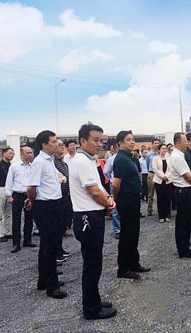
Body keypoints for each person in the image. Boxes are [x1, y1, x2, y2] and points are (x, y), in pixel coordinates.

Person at [68, 123, 117, 320]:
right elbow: (94, 191)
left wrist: (108, 201)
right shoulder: (81, 161)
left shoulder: (88, 160)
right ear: (82, 141)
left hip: (93, 214)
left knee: (94, 261)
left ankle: (94, 300)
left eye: (101, 140)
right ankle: (91, 308)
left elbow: (99, 186)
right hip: (87, 216)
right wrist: (108, 203)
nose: (99, 144)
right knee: (92, 264)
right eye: (95, 140)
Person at [26, 130, 67, 299]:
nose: (57, 143)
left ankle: (43, 280)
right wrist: (33, 201)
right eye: (53, 141)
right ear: (44, 144)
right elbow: (31, 187)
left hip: (54, 204)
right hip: (45, 206)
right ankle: (52, 286)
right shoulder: (39, 162)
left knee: (47, 245)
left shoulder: (50, 161)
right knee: (50, 247)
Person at [112, 130, 151, 280]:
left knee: (134, 233)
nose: (132, 142)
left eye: (133, 139)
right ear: (120, 143)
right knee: (127, 234)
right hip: (126, 200)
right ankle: (123, 268)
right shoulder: (121, 159)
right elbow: (116, 185)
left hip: (134, 199)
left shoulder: (130, 157)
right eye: (128, 139)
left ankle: (134, 263)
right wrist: (115, 201)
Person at [170, 132, 191, 259]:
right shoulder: (177, 157)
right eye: (185, 141)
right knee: (184, 221)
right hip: (183, 191)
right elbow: (187, 176)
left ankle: (185, 246)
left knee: (187, 220)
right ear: (178, 143)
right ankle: (183, 249)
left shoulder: (179, 155)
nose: (187, 143)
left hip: (185, 190)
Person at [5, 146, 36, 253]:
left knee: (29, 219)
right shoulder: (14, 166)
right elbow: (9, 181)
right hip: (17, 195)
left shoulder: (34, 166)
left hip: (29, 195)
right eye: (27, 153)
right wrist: (9, 195)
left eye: (31, 152)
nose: (30, 154)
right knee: (16, 219)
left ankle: (27, 240)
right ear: (22, 154)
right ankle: (16, 243)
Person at [0, 147, 15, 242]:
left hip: (9, 190)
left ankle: (7, 232)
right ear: (4, 153)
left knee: (8, 213)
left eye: (13, 154)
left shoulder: (11, 166)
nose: (11, 155)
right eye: (10, 153)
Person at [53, 139, 72, 261]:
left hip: (65, 196)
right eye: (58, 145)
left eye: (62, 145)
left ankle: (60, 249)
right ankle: (56, 252)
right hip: (57, 196)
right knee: (57, 225)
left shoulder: (63, 162)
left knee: (62, 224)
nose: (61, 147)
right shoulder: (52, 162)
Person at [103, 140, 121, 239]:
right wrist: (112, 179)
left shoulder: (127, 158)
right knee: (115, 207)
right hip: (113, 184)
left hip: (125, 185)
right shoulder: (111, 159)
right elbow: (106, 172)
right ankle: (117, 229)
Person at [152, 144, 173, 223]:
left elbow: (171, 169)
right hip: (159, 181)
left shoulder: (169, 159)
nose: (164, 150)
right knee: (160, 199)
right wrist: (162, 176)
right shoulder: (155, 158)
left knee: (167, 198)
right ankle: (161, 216)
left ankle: (167, 215)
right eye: (163, 148)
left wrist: (167, 176)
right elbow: (155, 169)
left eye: (165, 149)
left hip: (168, 181)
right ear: (159, 150)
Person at [145, 139, 160, 216]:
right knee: (151, 193)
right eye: (155, 143)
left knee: (160, 192)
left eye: (158, 143)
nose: (156, 144)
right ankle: (149, 209)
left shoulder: (161, 153)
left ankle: (161, 209)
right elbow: (147, 165)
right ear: (152, 144)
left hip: (160, 174)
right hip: (151, 173)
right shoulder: (149, 155)